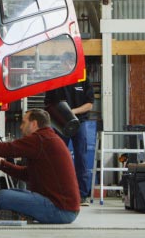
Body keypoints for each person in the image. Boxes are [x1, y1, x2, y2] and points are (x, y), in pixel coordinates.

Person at [0, 109, 80, 224]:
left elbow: (4, 149)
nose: (20, 127)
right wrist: (1, 163)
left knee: (2, 196)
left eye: (24, 122)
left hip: (60, 210)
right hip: (66, 209)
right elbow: (26, 174)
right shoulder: (48, 138)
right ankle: (22, 215)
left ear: (34, 123)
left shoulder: (39, 139)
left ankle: (22, 215)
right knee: (10, 192)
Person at [44, 53, 94, 206]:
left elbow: (89, 104)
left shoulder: (83, 79)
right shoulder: (56, 81)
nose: (68, 66)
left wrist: (73, 112)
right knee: (57, 156)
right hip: (60, 125)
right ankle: (56, 192)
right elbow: (48, 105)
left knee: (81, 157)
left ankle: (82, 195)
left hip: (80, 123)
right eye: (66, 63)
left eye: (70, 63)